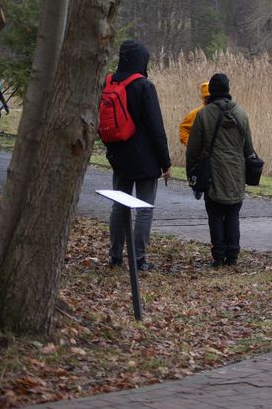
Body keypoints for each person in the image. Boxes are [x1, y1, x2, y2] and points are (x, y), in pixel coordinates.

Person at [106, 40, 171, 271]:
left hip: (118, 155)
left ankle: (115, 255)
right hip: (146, 159)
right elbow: (156, 127)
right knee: (144, 207)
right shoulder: (144, 86)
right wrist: (166, 162)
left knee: (118, 206)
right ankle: (138, 258)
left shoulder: (111, 81)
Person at [186, 73, 255, 267]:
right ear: (228, 89)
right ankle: (232, 255)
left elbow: (193, 149)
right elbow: (248, 148)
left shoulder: (204, 114)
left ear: (212, 91)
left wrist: (191, 172)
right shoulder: (240, 113)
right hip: (236, 171)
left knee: (215, 213)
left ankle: (218, 255)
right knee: (233, 213)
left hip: (212, 172)